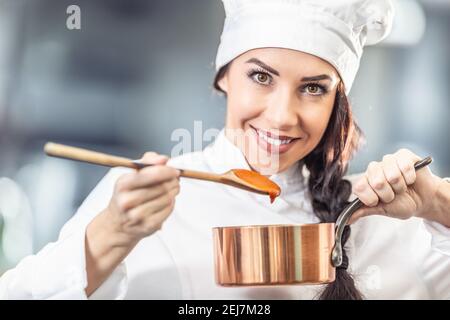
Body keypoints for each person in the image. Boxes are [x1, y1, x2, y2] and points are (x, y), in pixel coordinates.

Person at [1, 0, 450, 300]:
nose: (280, 116)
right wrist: (113, 233)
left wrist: (437, 204)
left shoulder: (379, 217)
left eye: (313, 88)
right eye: (261, 77)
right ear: (224, 76)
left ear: (337, 101)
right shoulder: (136, 198)